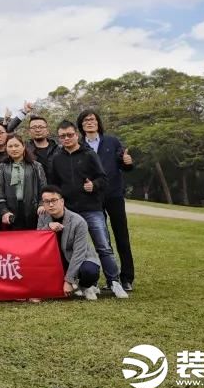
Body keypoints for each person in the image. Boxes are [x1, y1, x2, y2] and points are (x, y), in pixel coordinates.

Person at [49, 121, 128, 298]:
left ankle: (114, 281)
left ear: (76, 134)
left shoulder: (89, 154)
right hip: (68, 211)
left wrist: (94, 185)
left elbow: (103, 178)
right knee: (70, 248)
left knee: (103, 246)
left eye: (70, 135)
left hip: (91, 208)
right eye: (62, 136)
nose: (66, 139)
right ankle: (82, 283)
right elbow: (53, 184)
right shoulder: (56, 158)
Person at [78, 109, 136, 291]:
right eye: (86, 120)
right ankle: (112, 277)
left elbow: (124, 165)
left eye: (93, 119)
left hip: (114, 194)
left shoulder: (111, 141)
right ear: (81, 125)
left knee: (121, 236)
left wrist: (127, 162)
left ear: (98, 122)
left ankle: (126, 278)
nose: (90, 122)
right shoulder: (79, 145)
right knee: (102, 239)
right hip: (92, 197)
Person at [38, 185, 103, 301]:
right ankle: (75, 284)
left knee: (89, 271)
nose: (51, 205)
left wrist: (68, 280)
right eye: (47, 202)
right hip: (57, 260)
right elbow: (37, 238)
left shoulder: (78, 221)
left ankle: (86, 285)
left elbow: (79, 253)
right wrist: (48, 227)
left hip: (81, 258)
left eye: (54, 200)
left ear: (62, 201)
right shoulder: (43, 217)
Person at [0, 135, 48, 231]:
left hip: (33, 210)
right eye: (10, 146)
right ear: (6, 148)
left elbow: (43, 188)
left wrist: (41, 205)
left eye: (16, 145)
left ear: (23, 146)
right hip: (10, 211)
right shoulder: (1, 167)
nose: (13, 149)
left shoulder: (36, 166)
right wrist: (4, 211)